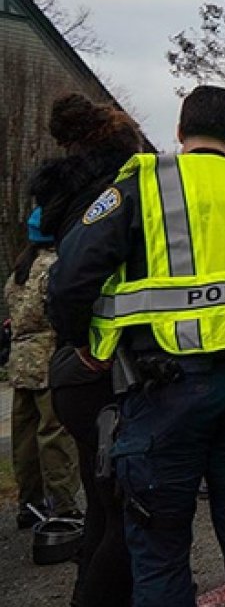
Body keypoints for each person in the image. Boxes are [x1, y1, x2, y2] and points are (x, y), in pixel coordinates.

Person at [47, 85, 225, 606]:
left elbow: (70, 279)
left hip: (163, 392)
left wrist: (86, 346)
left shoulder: (142, 181)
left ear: (180, 133)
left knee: (159, 552)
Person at [32, 92, 143, 605]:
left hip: (78, 366)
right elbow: (73, 283)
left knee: (102, 500)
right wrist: (87, 348)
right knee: (126, 510)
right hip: (105, 366)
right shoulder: (120, 188)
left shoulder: (65, 191)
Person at [5, 207, 80, 529]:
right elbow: (61, 310)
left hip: (20, 362)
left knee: (24, 437)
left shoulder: (20, 270)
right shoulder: (55, 267)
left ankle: (29, 502)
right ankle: (63, 505)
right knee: (55, 434)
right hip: (49, 358)